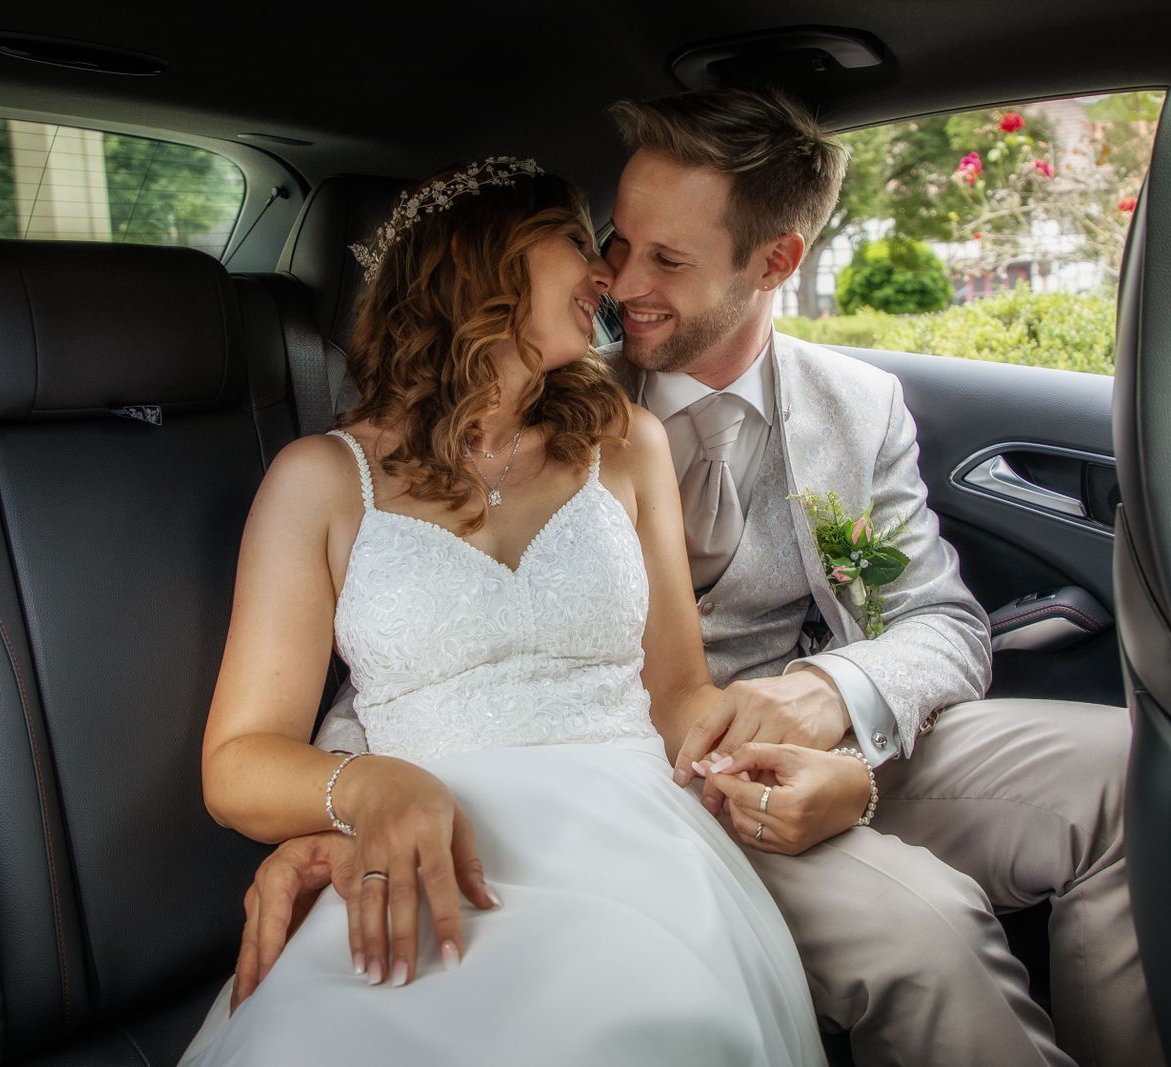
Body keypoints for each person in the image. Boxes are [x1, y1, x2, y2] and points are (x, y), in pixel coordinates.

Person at [251, 91, 1164, 1067]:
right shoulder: (534, 391)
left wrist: (832, 701)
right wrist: (350, 798)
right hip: (641, 779)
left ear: (775, 260)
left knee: (1127, 763)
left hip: (795, 736)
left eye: (668, 259)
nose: (619, 277)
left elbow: (932, 615)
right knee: (927, 933)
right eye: (616, 241)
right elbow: (423, 629)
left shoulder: (854, 410)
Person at [179, 158, 824, 1066]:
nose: (608, 272)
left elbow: (679, 693)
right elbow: (238, 763)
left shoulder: (629, 446)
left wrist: (788, 753)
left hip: (635, 840)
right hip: (420, 843)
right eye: (575, 239)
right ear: (473, 260)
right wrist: (364, 785)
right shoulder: (321, 481)